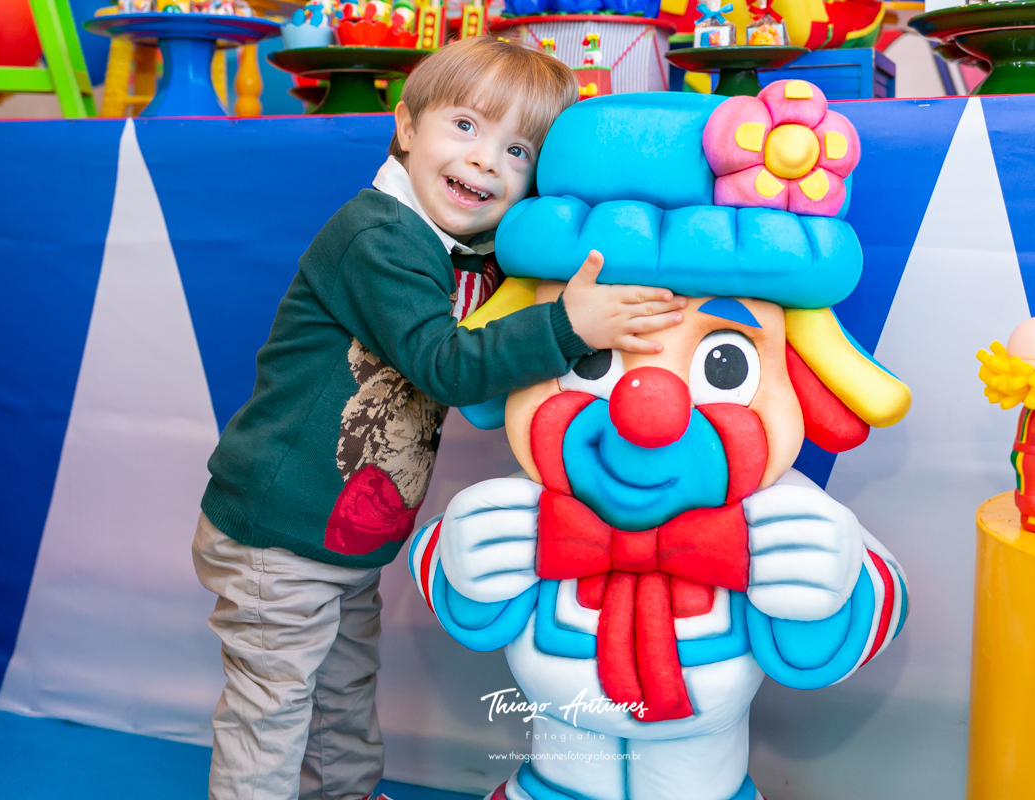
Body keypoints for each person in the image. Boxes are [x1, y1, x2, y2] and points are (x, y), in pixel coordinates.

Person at [191, 35, 687, 800]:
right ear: (406, 126)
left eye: (518, 149)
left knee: (342, 688)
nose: (487, 159)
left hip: (340, 534)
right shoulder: (378, 236)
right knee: (275, 707)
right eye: (466, 126)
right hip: (276, 530)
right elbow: (445, 364)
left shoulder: (461, 247)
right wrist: (568, 327)